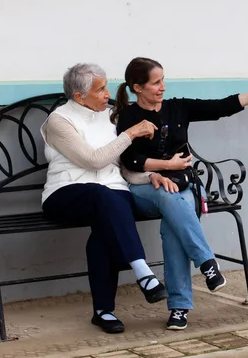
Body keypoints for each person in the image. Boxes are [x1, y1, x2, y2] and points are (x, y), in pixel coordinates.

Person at [113, 57, 248, 331]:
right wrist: (164, 167)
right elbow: (130, 160)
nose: (162, 87)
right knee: (168, 198)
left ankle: (179, 309)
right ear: (137, 87)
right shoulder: (129, 117)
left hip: (182, 186)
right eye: (155, 82)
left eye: (163, 80)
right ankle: (206, 262)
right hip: (144, 189)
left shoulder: (178, 107)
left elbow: (221, 107)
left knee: (174, 222)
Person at [40, 63, 172, 334]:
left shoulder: (110, 115)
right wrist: (131, 133)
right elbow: (92, 160)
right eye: (100, 89)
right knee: (105, 198)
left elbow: (120, 166)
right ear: (79, 97)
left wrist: (148, 177)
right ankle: (143, 272)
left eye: (105, 87)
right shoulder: (59, 121)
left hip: (110, 196)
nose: (107, 94)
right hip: (67, 193)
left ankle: (103, 311)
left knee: (108, 213)